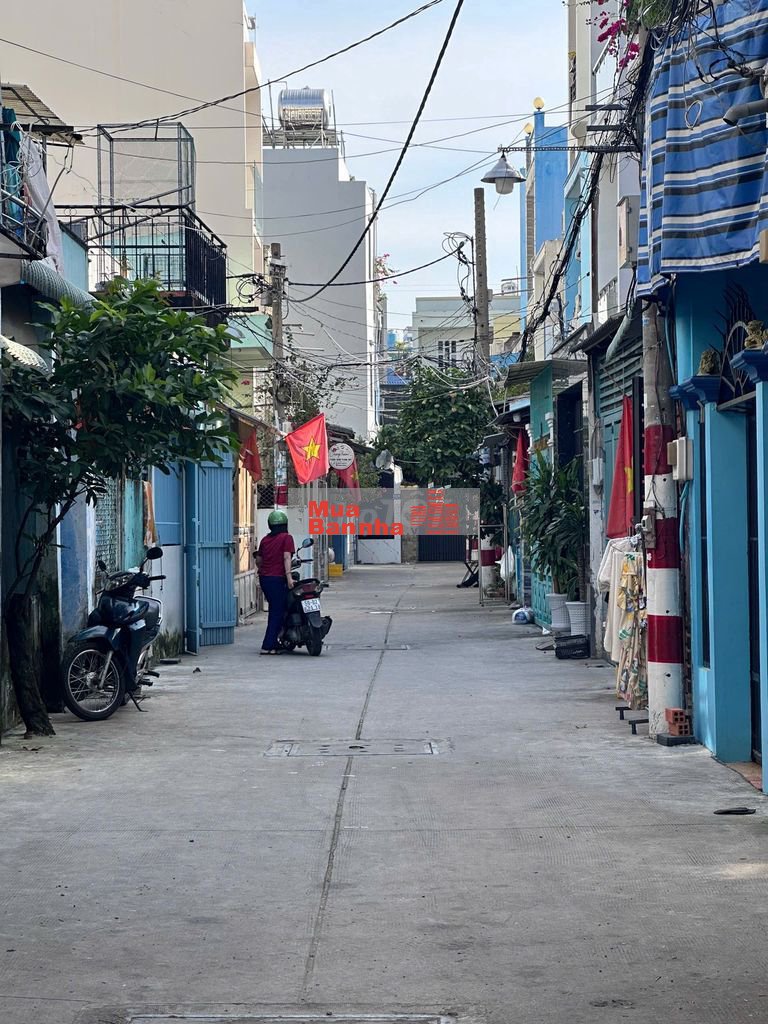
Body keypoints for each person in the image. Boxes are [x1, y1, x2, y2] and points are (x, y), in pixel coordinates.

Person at [254, 510, 296, 655]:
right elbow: (286, 557)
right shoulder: (287, 538)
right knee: (277, 612)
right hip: (277, 579)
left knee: (275, 609)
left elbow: (258, 560)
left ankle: (275, 641)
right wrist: (289, 578)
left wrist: (265, 569)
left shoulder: (265, 540)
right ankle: (268, 645)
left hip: (265, 579)